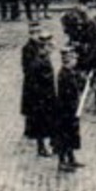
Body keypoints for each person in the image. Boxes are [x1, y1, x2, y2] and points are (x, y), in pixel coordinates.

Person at [20, 25, 57, 158]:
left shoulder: (41, 52)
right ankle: (41, 146)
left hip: (45, 92)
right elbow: (29, 69)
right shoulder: (30, 50)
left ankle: (49, 143)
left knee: (45, 118)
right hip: (37, 92)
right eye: (34, 33)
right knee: (39, 119)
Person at [52, 47, 85, 172]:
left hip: (71, 110)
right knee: (64, 136)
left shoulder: (70, 73)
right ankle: (62, 162)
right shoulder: (64, 75)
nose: (76, 61)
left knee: (71, 135)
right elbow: (67, 95)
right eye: (74, 58)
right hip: (65, 112)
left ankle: (71, 158)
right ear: (68, 60)